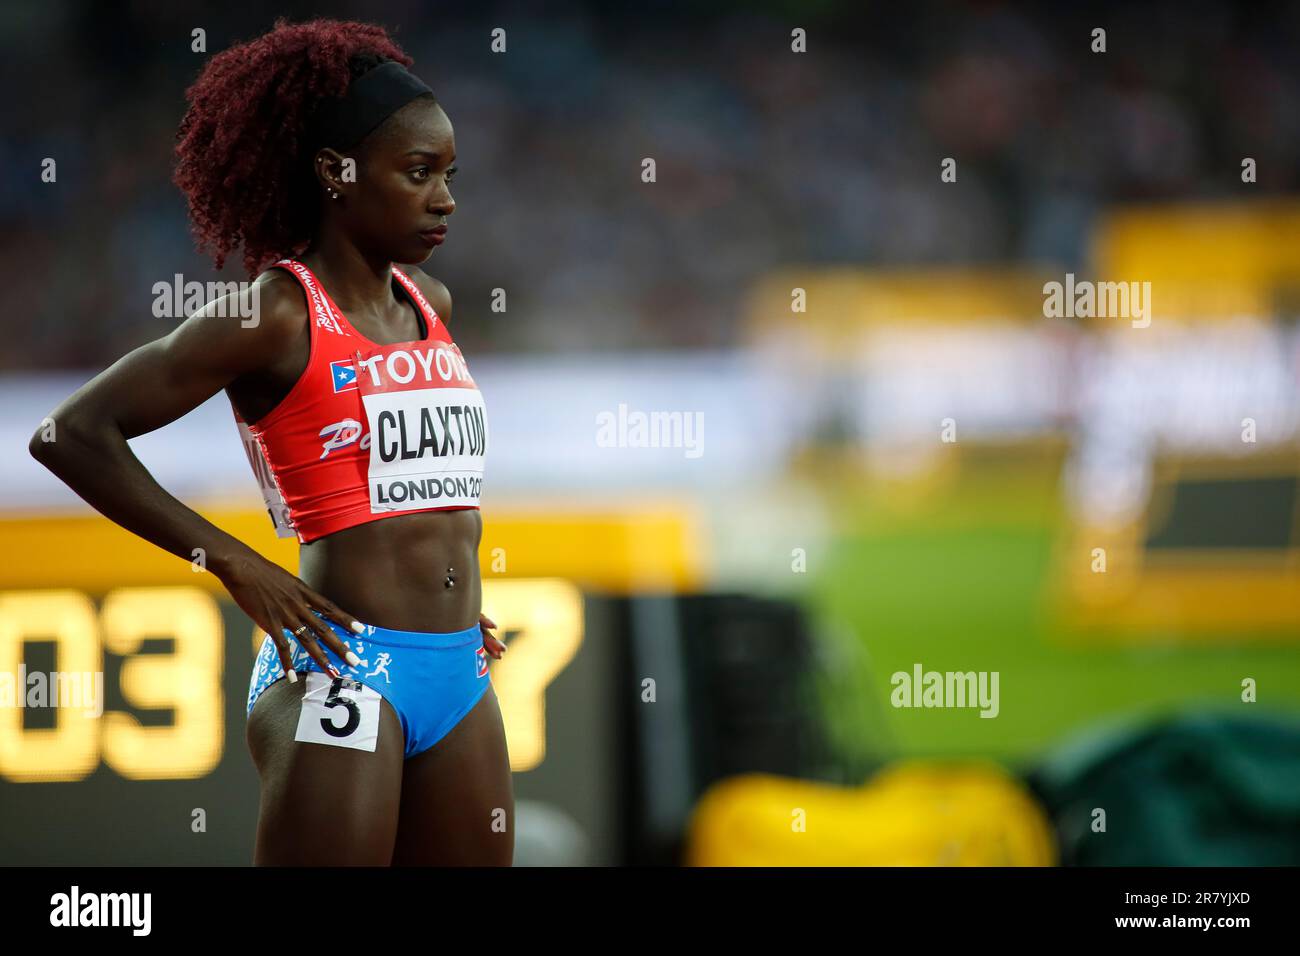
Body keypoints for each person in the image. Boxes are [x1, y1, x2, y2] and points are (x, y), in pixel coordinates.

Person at [28, 18, 513, 865]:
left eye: (450, 175)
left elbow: (421, 489)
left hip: (459, 669)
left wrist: (452, 594)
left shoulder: (431, 300)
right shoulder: (277, 313)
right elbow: (70, 434)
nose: (446, 199)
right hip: (345, 670)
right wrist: (234, 563)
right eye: (419, 172)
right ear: (336, 173)